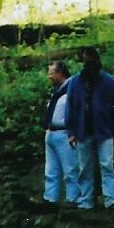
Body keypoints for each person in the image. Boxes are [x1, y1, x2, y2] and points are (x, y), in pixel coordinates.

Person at [66, 46, 114, 210]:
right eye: (85, 59)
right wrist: (71, 132)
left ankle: (111, 199)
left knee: (107, 166)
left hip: (104, 130)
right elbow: (71, 107)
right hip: (83, 131)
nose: (88, 62)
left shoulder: (108, 81)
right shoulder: (75, 82)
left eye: (90, 58)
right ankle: (86, 200)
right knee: (85, 168)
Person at [42, 60, 79, 207]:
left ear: (60, 73)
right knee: (51, 170)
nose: (49, 76)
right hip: (51, 133)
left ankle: (73, 199)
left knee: (70, 170)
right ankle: (50, 199)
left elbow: (77, 111)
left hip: (65, 133)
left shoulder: (72, 89)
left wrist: (74, 131)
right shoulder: (55, 91)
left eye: (51, 73)